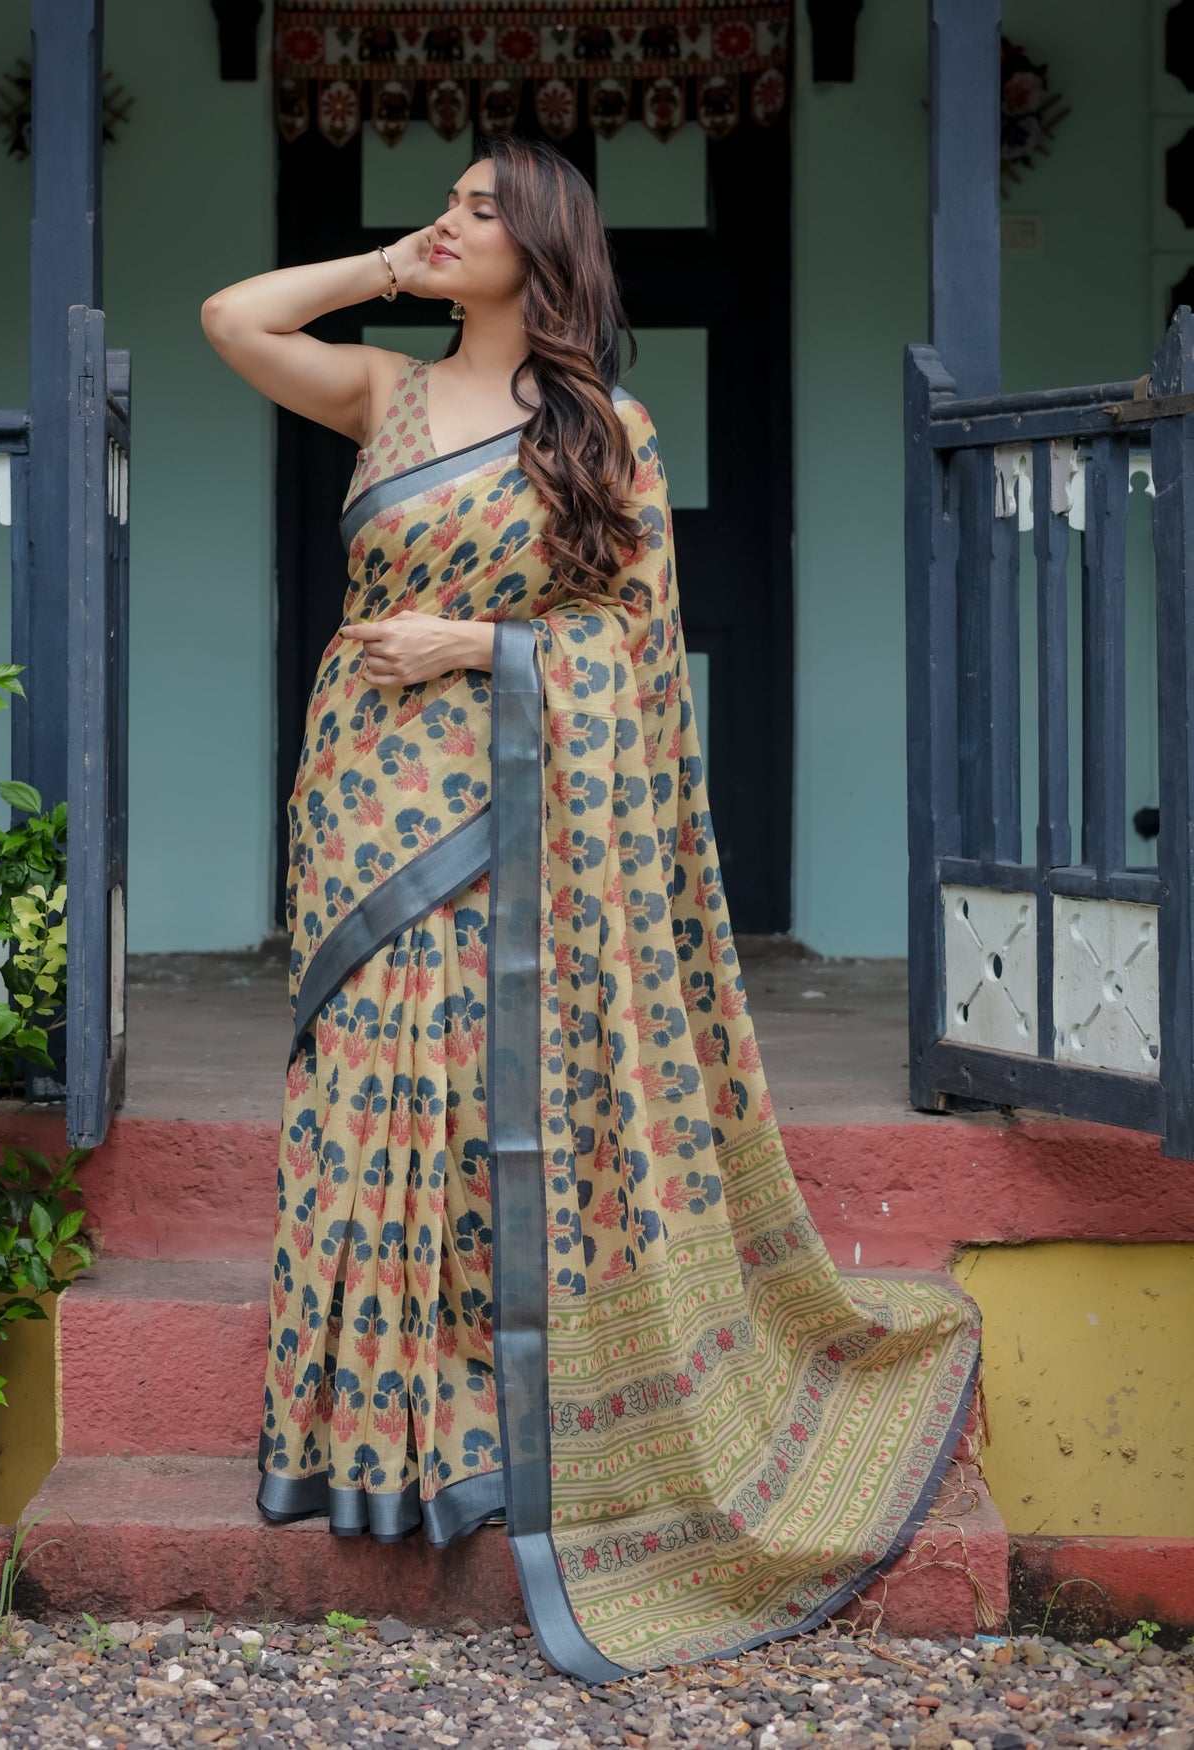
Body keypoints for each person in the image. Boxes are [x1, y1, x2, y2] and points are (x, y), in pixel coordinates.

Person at [201, 134, 981, 1683]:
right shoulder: (385, 394)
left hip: (509, 793)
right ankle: (364, 1429)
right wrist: (384, 265)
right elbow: (234, 319)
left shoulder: (605, 430)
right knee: (368, 1084)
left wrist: (479, 649)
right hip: (363, 791)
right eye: (448, 201)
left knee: (480, 1102)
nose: (450, 219)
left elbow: (630, 650)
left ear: (544, 242)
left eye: (480, 208)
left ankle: (484, 1422)